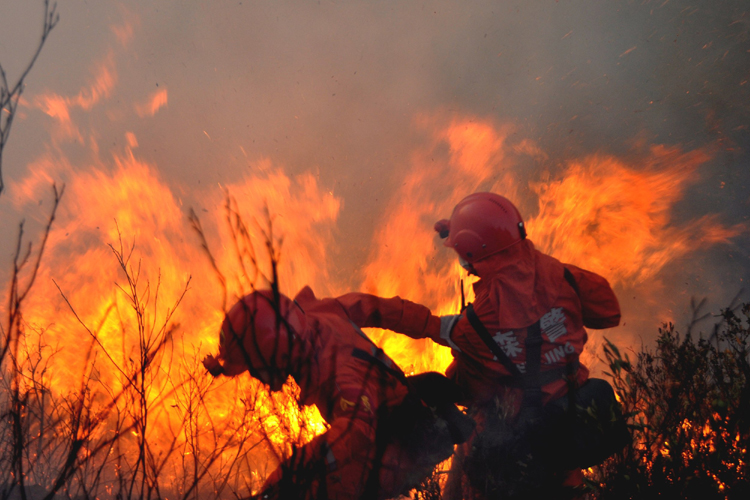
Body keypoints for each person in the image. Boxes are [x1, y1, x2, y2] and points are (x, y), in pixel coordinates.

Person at [405, 192, 623, 499]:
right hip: (565, 445)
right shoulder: (560, 280)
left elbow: (469, 387)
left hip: (505, 462)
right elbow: (608, 313)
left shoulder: (483, 321)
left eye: (466, 257)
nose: (465, 265)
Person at [202, 287, 472, 500]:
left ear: (277, 353)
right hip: (394, 411)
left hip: (402, 448)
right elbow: (379, 307)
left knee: (316, 490)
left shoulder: (336, 372)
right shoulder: (313, 315)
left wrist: (284, 480)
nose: (256, 376)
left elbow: (356, 431)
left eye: (255, 368)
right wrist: (436, 327)